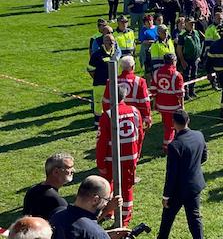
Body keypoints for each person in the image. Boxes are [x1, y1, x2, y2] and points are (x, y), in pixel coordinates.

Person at [95, 86, 143, 227]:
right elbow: (140, 135)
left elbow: (101, 143)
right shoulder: (135, 111)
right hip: (130, 157)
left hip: (111, 159)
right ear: (125, 96)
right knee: (127, 188)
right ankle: (124, 219)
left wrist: (101, 164)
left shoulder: (107, 115)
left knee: (107, 186)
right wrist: (137, 155)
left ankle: (108, 212)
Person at [158, 110, 207, 239]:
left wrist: (166, 196)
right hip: (194, 186)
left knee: (167, 220)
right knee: (194, 218)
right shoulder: (199, 135)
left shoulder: (175, 145)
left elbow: (171, 174)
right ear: (188, 121)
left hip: (178, 190)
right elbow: (204, 157)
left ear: (173, 123)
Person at [49, 176, 128, 239]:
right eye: (107, 199)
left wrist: (106, 234)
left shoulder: (56, 216)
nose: (106, 203)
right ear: (95, 200)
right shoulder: (95, 233)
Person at [100, 55, 152, 135]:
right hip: (135, 118)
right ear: (132, 66)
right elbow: (145, 102)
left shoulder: (111, 81)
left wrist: (110, 116)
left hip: (116, 117)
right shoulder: (140, 81)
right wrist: (147, 117)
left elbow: (106, 102)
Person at [22, 153, 73, 219]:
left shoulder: (32, 190)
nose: (73, 170)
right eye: (69, 168)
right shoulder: (57, 201)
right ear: (56, 172)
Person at [151, 54, 185, 152]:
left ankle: (171, 141)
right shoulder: (177, 75)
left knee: (167, 125)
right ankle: (167, 147)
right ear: (174, 61)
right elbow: (180, 93)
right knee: (171, 127)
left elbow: (153, 90)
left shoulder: (156, 72)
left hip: (161, 105)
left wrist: (154, 104)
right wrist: (182, 106)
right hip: (173, 106)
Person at [87, 34, 117, 128]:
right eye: (108, 41)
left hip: (112, 83)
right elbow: (90, 69)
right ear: (104, 42)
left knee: (112, 102)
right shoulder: (97, 55)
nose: (111, 43)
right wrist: (98, 77)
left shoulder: (115, 53)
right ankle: (97, 123)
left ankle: (110, 121)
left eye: (112, 41)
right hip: (100, 84)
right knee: (99, 104)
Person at [176, 18, 203, 99]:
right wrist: (182, 60)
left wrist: (198, 56)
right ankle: (186, 93)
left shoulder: (196, 32)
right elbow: (179, 49)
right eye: (191, 23)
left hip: (195, 59)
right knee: (186, 76)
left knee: (194, 75)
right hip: (186, 59)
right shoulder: (182, 35)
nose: (193, 25)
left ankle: (192, 91)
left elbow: (200, 43)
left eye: (194, 23)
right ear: (186, 23)